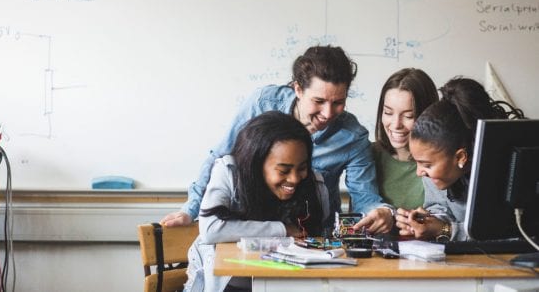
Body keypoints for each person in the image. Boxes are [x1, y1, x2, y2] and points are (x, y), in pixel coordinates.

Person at [162, 45, 394, 233]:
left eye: (338, 102)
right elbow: (221, 157)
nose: (328, 113)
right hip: (251, 230)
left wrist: (382, 212)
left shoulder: (353, 136)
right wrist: (191, 209)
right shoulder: (262, 104)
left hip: (311, 236)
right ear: (298, 89)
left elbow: (365, 198)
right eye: (319, 101)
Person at [183, 111, 329, 292]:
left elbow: (320, 238)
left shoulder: (314, 185)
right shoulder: (228, 171)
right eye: (283, 171)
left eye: (302, 168)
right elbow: (211, 230)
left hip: (287, 283)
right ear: (256, 163)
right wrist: (283, 229)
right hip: (229, 285)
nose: (294, 179)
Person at [395, 77, 524, 241]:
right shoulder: (434, 174)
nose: (419, 172)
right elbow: (441, 212)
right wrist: (428, 223)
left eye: (426, 165)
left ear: (461, 157)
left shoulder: (506, 171)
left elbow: (504, 234)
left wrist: (445, 230)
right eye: (417, 161)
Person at [373, 68, 438, 210]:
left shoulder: (440, 162)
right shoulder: (367, 155)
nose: (396, 124)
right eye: (388, 112)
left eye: (409, 116)